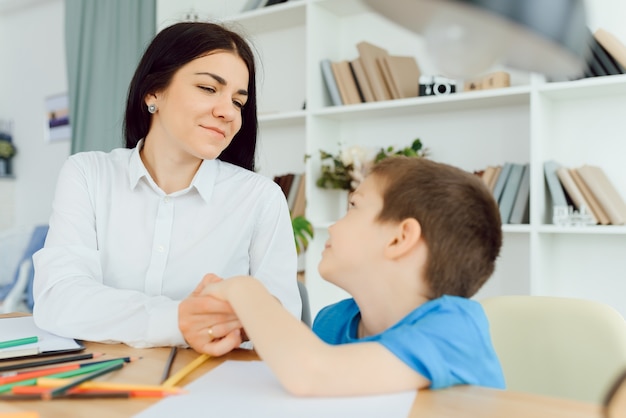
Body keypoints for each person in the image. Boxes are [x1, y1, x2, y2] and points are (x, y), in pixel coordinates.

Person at [32, 22, 301, 354]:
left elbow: (282, 319)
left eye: (238, 102)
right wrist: (179, 320)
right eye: (207, 88)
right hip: (103, 382)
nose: (227, 111)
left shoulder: (260, 197)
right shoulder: (88, 174)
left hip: (214, 387)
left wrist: (242, 320)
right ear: (153, 92)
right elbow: (58, 298)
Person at [200, 156, 505, 396]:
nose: (332, 226)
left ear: (399, 239)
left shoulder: (455, 329)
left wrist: (244, 289)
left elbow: (311, 374)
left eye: (353, 207)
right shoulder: (331, 321)